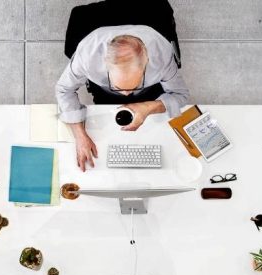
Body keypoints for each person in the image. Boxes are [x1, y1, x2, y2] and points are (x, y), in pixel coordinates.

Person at [55, 25, 189, 172]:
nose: (126, 95)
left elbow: (180, 95)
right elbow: (64, 89)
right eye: (118, 87)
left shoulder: (161, 56)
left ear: (146, 66)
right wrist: (79, 136)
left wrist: (148, 107)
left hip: (147, 92)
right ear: (105, 67)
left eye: (134, 85)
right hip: (104, 92)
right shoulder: (87, 57)